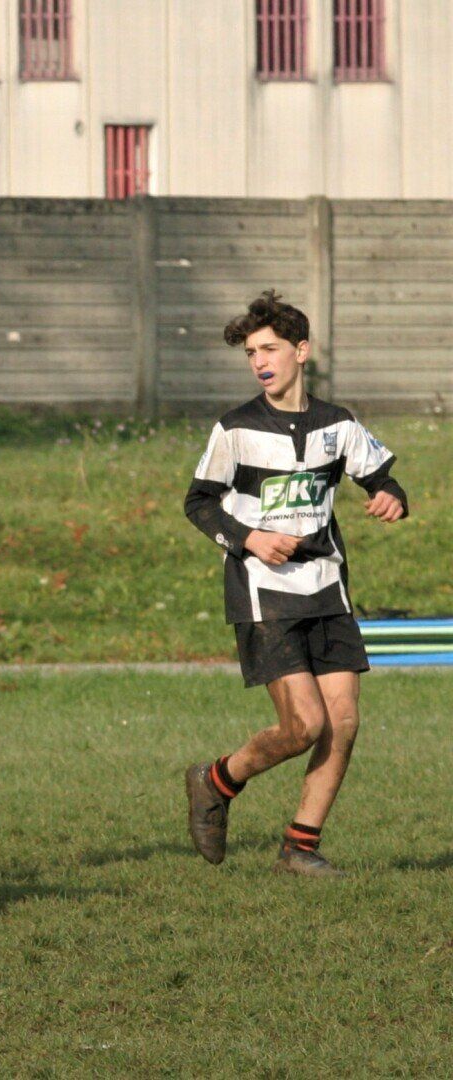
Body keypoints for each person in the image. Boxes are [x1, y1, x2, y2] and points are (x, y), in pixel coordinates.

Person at [183, 290, 407, 876]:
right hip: (264, 591)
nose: (260, 361)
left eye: (271, 349)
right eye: (252, 352)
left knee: (344, 721)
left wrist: (389, 496)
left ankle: (299, 848)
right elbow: (199, 504)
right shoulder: (234, 430)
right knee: (303, 726)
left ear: (301, 351)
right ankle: (216, 779)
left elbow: (382, 478)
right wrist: (249, 538)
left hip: (327, 588)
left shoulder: (339, 424)